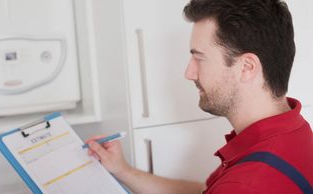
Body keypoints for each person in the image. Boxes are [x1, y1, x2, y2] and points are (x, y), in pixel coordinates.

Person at [86, 0, 313, 193]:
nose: (189, 73)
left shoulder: (245, 184)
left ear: (246, 67)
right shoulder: (295, 130)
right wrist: (124, 171)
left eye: (199, 58)